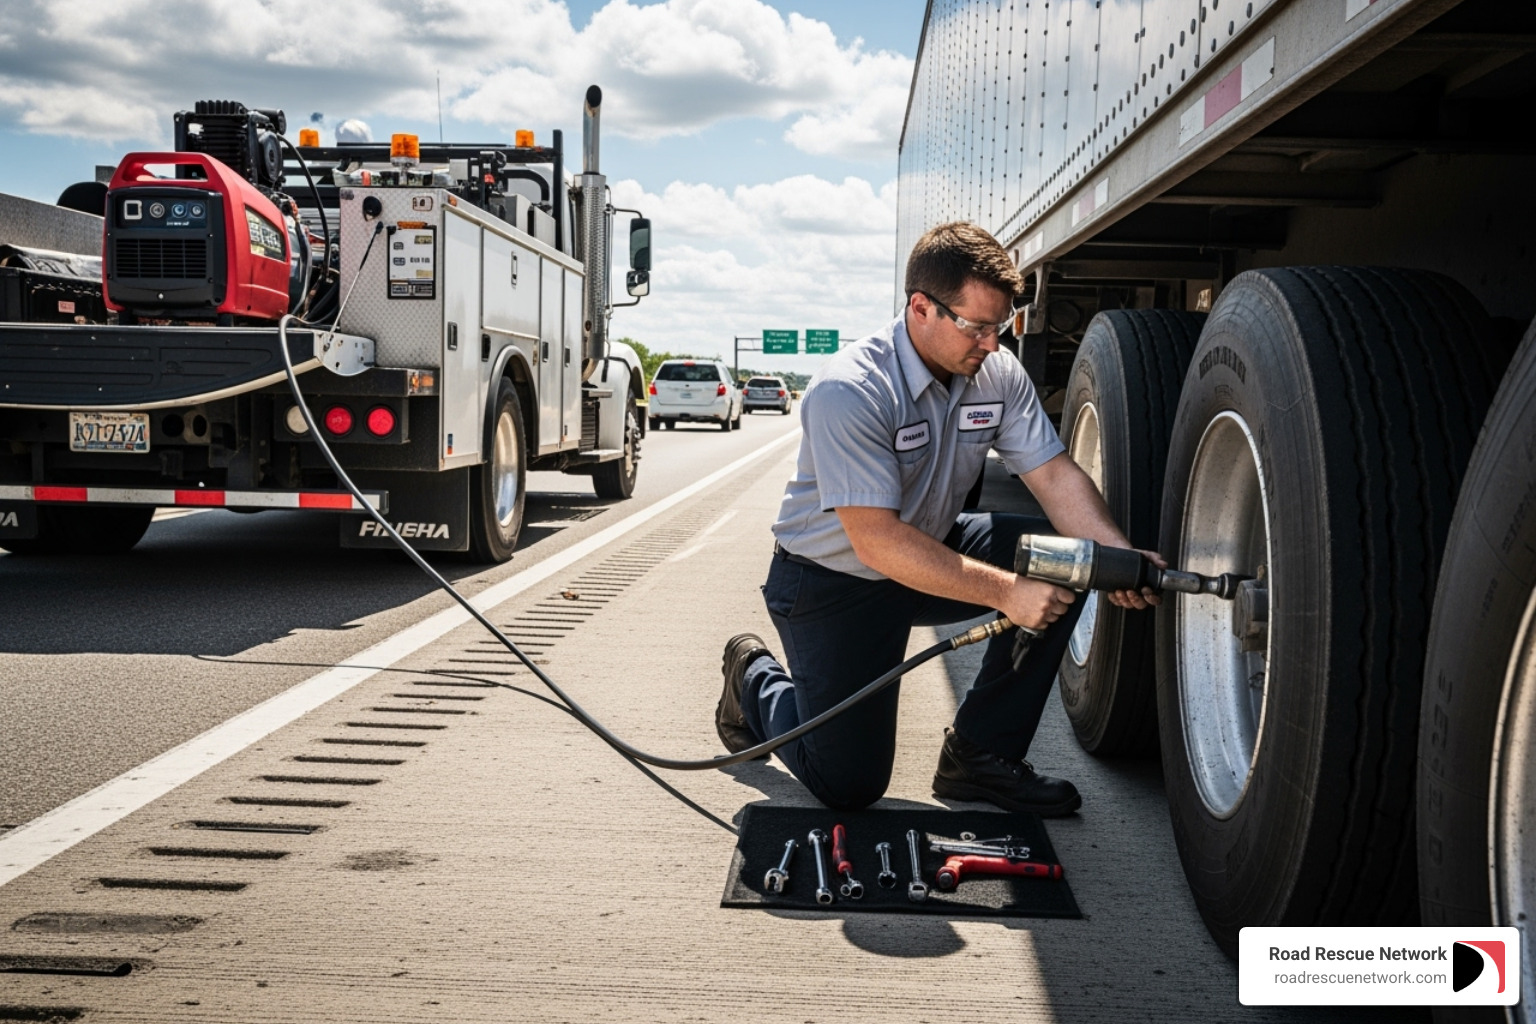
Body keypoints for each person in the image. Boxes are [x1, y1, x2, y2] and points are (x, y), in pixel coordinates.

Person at [715, 221, 1162, 815]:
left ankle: (980, 758)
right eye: (976, 327)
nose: (993, 344)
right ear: (920, 308)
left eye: (999, 326)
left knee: (1067, 558)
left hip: (931, 544)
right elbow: (876, 543)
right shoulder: (851, 390)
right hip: (834, 580)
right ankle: (754, 678)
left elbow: (1053, 475)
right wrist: (1008, 593)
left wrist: (1114, 558)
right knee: (847, 784)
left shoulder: (994, 373)